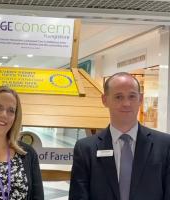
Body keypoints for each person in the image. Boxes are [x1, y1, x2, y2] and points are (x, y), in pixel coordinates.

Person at [69, 72, 170, 200]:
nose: (126, 103)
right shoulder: (85, 149)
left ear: (140, 99)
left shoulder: (165, 145)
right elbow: (78, 196)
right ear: (104, 100)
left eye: (132, 96)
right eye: (118, 97)